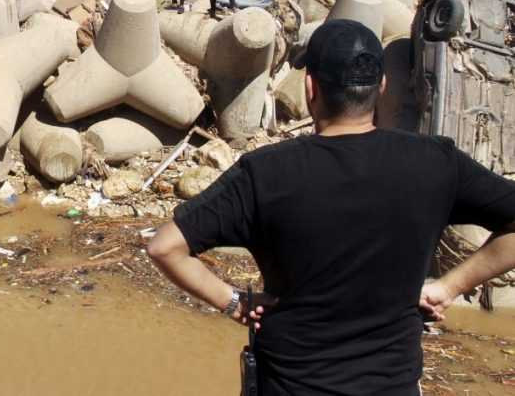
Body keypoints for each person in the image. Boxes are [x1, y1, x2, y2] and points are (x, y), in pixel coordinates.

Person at [147, 19, 515, 395]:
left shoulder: (264, 173)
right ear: (382, 87)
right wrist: (451, 286)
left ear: (310, 89)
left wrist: (234, 303)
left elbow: (165, 247)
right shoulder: (436, 162)